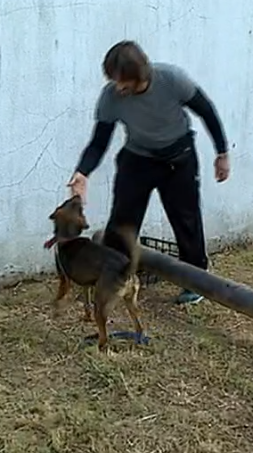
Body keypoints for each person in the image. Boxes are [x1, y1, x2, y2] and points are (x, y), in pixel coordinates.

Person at [66, 40, 231, 305]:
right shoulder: (111, 96)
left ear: (138, 75)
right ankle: (114, 277)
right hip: (138, 159)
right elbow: (99, 141)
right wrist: (83, 172)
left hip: (178, 158)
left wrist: (222, 153)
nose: (117, 88)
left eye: (122, 82)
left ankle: (195, 280)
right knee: (122, 221)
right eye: (114, 81)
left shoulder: (172, 80)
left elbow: (206, 111)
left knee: (185, 219)